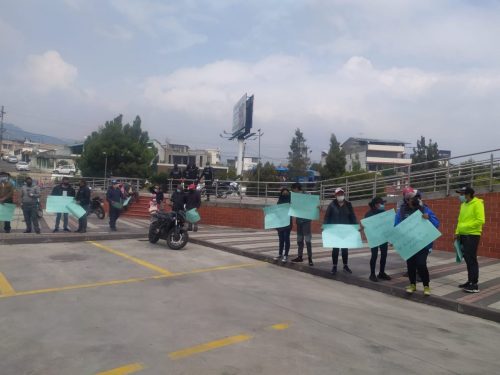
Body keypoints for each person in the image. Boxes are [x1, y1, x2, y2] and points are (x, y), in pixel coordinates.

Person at [395, 191, 439, 296]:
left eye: (416, 198)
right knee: (410, 265)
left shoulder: (425, 209)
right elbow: (396, 225)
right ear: (407, 200)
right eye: (412, 198)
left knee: (421, 264)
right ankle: (412, 285)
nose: (415, 200)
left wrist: (429, 218)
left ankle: (426, 286)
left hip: (422, 243)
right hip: (408, 243)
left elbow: (436, 223)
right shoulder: (401, 211)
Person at [455, 186, 485, 293]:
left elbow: (480, 220)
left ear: (468, 194)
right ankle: (470, 281)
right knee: (467, 259)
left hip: (472, 235)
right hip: (463, 235)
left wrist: (465, 227)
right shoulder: (463, 205)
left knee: (471, 259)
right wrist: (457, 232)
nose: (460, 196)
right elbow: (460, 220)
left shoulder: (478, 204)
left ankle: (474, 284)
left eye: (462, 194)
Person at [324, 187, 357, 274]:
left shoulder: (348, 204)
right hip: (335, 230)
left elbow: (352, 216)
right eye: (338, 194)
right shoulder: (331, 205)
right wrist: (325, 226)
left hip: (346, 230)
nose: (340, 195)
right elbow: (327, 216)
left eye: (341, 194)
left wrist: (356, 226)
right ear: (335, 195)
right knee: (335, 249)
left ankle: (345, 265)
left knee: (345, 249)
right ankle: (334, 266)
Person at [363, 197, 391, 282]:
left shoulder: (383, 212)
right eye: (381, 203)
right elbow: (367, 226)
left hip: (383, 237)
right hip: (374, 237)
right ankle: (372, 274)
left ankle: (381, 273)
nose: (383, 205)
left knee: (384, 255)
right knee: (374, 255)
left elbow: (387, 224)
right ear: (376, 204)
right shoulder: (369, 214)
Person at [290, 183, 314, 266]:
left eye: (293, 190)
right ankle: (299, 257)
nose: (293, 192)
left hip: (306, 221)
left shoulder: (306, 195)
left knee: (307, 240)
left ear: (296, 188)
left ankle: (310, 258)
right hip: (299, 221)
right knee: (299, 240)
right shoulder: (294, 198)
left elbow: (313, 203)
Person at [274, 187, 292, 263]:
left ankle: (286, 255)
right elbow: (277, 211)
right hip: (280, 223)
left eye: (286, 192)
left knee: (286, 238)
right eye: (283, 192)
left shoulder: (291, 201)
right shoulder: (279, 200)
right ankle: (280, 253)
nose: (284, 194)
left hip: (287, 223)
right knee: (281, 239)